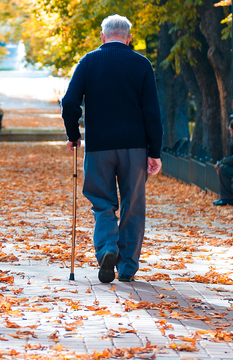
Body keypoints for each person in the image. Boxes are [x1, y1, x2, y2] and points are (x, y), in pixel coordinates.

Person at [61, 15, 163, 284]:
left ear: (102, 36)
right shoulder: (142, 64)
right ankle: (127, 267)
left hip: (99, 147)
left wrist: (74, 135)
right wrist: (155, 151)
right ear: (129, 38)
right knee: (133, 204)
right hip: (135, 147)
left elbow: (69, 102)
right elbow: (152, 112)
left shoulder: (88, 61)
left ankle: (107, 248)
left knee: (102, 202)